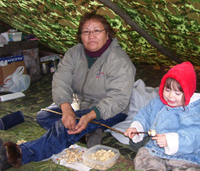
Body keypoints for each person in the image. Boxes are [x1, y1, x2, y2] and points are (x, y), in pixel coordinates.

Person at [0, 12, 136, 169]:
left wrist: (89, 116)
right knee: (44, 115)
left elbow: (118, 98)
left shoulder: (118, 60)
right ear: (80, 36)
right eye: (86, 31)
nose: (91, 36)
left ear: (107, 34)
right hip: (82, 105)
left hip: (109, 110)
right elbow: (60, 80)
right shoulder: (74, 53)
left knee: (62, 127)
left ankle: (19, 154)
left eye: (97, 31)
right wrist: (66, 108)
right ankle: (86, 134)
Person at [124, 62, 200, 170]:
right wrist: (137, 127)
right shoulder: (157, 103)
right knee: (143, 157)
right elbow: (145, 115)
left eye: (177, 93)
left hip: (184, 157)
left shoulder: (193, 111)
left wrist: (170, 141)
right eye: (167, 90)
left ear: (187, 93)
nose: (170, 96)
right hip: (155, 151)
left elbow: (194, 136)